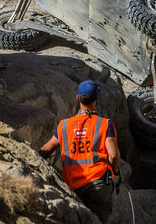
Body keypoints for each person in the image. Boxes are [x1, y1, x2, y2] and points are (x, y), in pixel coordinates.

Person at [39, 80, 121, 223]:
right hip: (98, 183)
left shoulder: (64, 125)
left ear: (78, 99)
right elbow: (113, 155)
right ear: (97, 99)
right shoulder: (104, 124)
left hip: (73, 186)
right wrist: (116, 171)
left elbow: (45, 150)